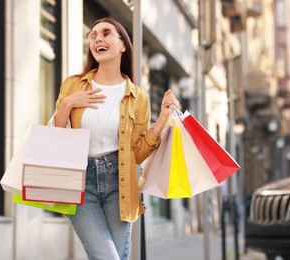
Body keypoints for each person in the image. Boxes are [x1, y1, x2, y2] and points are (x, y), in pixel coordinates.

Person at [49, 17, 180, 260]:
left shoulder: (138, 97)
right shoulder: (74, 85)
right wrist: (68, 104)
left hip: (119, 184)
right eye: (93, 35)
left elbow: (138, 153)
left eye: (106, 33)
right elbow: (56, 136)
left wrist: (162, 119)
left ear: (123, 45)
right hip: (80, 181)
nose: (97, 38)